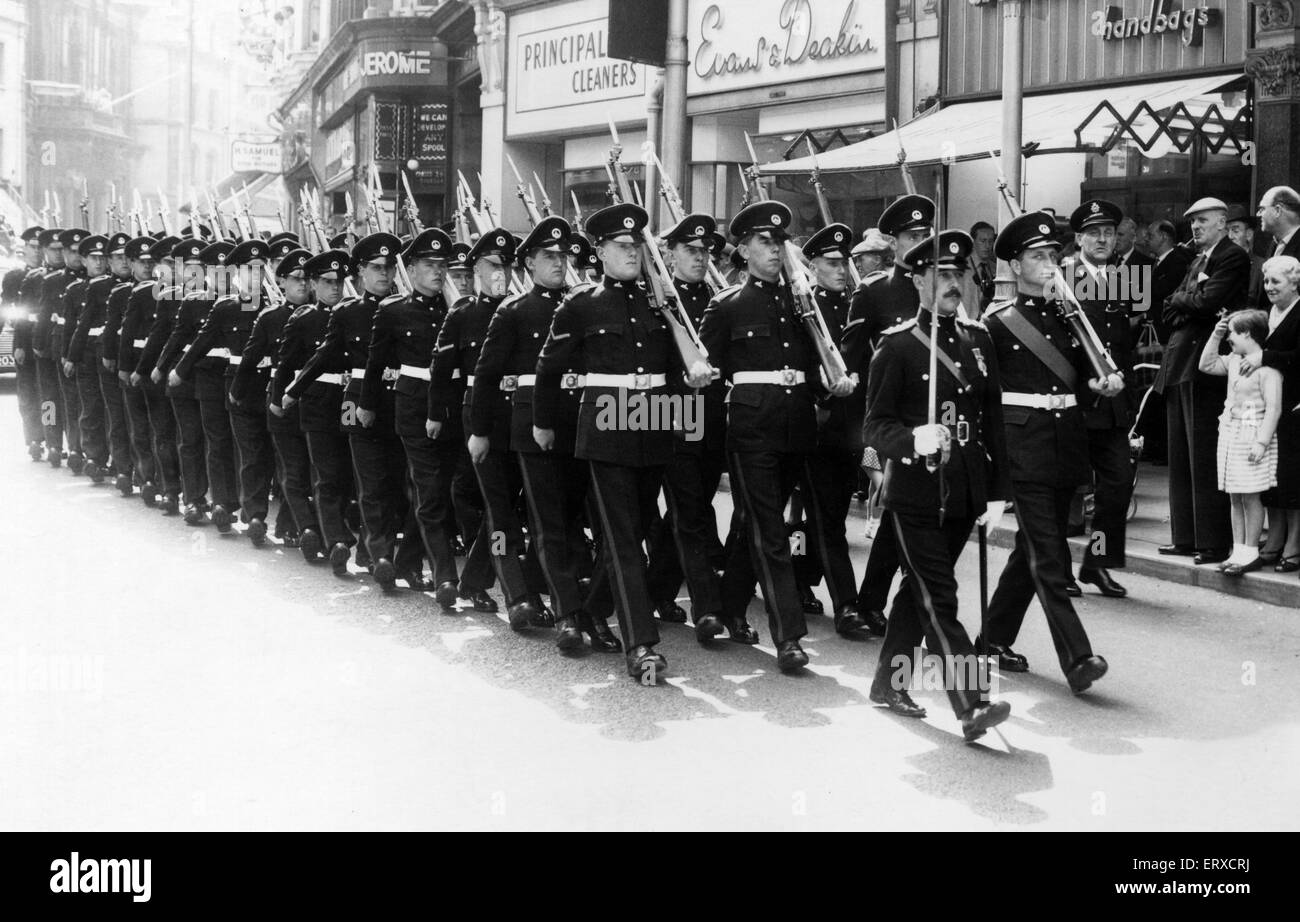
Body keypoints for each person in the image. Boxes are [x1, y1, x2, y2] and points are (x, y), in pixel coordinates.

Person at [535, 202, 711, 681]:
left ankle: (592, 611)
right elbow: (549, 368)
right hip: (607, 425)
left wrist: (691, 384)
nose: (632, 253)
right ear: (600, 251)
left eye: (637, 245)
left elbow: (676, 364)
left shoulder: (660, 300)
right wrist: (544, 423)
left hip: (653, 421)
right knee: (624, 537)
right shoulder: (582, 303)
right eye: (622, 246)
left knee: (628, 536)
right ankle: (642, 645)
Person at [864, 229, 1012, 741]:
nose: (953, 284)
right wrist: (911, 438)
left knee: (918, 595)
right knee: (939, 598)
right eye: (941, 275)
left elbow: (991, 418)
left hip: (965, 489)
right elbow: (874, 426)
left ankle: (888, 683)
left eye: (958, 275)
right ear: (918, 280)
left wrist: (997, 492)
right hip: (916, 492)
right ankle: (972, 703)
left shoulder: (977, 339)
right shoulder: (899, 344)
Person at [698, 199, 854, 670]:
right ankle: (788, 636)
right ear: (743, 250)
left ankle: (724, 608)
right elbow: (704, 374)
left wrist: (832, 388)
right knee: (772, 531)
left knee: (752, 524)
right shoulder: (726, 305)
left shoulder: (803, 303)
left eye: (780, 241)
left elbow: (816, 368)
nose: (774, 249)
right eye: (764, 241)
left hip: (796, 427)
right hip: (750, 431)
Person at [981, 211, 1115, 695]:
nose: (1048, 264)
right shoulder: (996, 323)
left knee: (1033, 549)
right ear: (1015, 266)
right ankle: (1078, 657)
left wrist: (1101, 384)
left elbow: (1083, 379)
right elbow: (985, 399)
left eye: (1052, 256)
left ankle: (992, 639)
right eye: (1037, 257)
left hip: (1065, 444)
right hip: (1024, 449)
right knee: (1049, 556)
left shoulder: (1070, 314)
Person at [472, 215, 619, 652]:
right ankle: (568, 614)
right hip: (532, 430)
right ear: (530, 262)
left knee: (577, 525)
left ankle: (585, 608)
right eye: (549, 256)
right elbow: (486, 375)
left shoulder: (585, 303)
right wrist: (480, 432)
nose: (559, 262)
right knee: (548, 525)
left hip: (583, 426)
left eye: (564, 255)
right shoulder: (514, 311)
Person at [432, 227, 541, 625]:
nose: (501, 273)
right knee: (499, 509)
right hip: (480, 415)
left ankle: (474, 581)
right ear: (476, 267)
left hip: (518, 416)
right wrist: (438, 419)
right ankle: (517, 595)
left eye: (507, 265)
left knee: (508, 505)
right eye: (494, 265)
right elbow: (442, 373)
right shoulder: (462, 314)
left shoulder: (521, 309)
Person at [843, 195, 936, 635]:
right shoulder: (874, 291)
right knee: (895, 508)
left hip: (934, 426)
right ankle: (876, 601)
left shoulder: (939, 286)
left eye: (925, 235)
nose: (921, 243)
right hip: (889, 428)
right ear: (894, 243)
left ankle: (878, 600)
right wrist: (867, 440)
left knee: (908, 517)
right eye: (912, 237)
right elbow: (853, 363)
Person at [361, 228, 462, 606]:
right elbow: (375, 365)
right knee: (430, 489)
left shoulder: (457, 310)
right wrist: (367, 406)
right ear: (412, 268)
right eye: (429, 265)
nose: (438, 272)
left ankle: (404, 562)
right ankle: (445, 576)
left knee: (439, 491)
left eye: (442, 265)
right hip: (413, 408)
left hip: (450, 409)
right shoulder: (393, 311)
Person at [643, 213, 728, 636]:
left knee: (683, 511)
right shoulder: (657, 298)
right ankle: (707, 607)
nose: (699, 257)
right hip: (672, 415)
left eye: (705, 250)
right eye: (690, 250)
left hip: (711, 417)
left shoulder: (719, 296)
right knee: (692, 510)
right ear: (670, 253)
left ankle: (654, 591)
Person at [1154, 198, 1250, 565]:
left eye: (1203, 221)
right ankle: (1186, 536)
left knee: (1203, 454)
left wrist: (1183, 300)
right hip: (1182, 361)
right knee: (1181, 454)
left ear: (1223, 222)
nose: (1195, 227)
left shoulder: (1231, 256)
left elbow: (1209, 302)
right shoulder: (1197, 259)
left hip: (1204, 363)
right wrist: (1185, 301)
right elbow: (1167, 307)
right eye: (1192, 222)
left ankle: (1210, 541)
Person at [1062, 199, 1137, 598]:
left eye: (1109, 232)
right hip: (1075, 402)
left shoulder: (1123, 278)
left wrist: (1124, 389)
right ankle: (1058, 569)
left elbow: (1123, 343)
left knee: (1118, 485)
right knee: (1064, 489)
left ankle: (1097, 564)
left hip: (1112, 406)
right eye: (1094, 233)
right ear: (1079, 239)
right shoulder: (1061, 279)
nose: (1104, 239)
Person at [278, 249, 362, 575]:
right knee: (326, 475)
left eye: (340, 281)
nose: (335, 288)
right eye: (327, 282)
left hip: (348, 401)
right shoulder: (303, 319)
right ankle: (336, 540)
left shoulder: (354, 314)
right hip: (315, 401)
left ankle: (330, 532)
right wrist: (280, 400)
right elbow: (287, 365)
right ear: (314, 283)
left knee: (344, 474)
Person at [1198, 309, 1282, 575]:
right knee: (1235, 495)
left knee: (1251, 495)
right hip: (1231, 433)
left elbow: (1273, 409)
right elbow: (1206, 364)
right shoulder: (1234, 360)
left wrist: (1262, 441)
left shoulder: (1268, 370)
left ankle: (1250, 552)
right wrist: (1216, 334)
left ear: (1247, 333)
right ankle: (1238, 551)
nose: (1228, 338)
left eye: (1232, 332)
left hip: (1252, 435)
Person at [1250, 255, 1300, 573]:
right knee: (1272, 476)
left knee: (1293, 477)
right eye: (1267, 281)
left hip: (1295, 403)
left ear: (1294, 283)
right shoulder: (1269, 312)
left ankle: (1294, 543)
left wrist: (1264, 355)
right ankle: (1276, 537)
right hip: (1268, 403)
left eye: (1276, 282)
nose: (1269, 287)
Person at [5, 227, 47, 460]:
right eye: (33, 246)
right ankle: (33, 438)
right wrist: (19, 344)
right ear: (24, 248)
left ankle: (49, 436)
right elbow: (10, 312)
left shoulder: (51, 276)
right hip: (25, 341)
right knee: (28, 394)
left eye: (41, 247)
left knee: (48, 395)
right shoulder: (15, 278)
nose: (37, 251)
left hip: (48, 342)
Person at [1226, 205, 1264, 307]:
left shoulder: (1261, 267)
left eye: (1235, 231)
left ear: (1248, 235)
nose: (1229, 237)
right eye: (1226, 231)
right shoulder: (1217, 263)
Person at [970, 220, 998, 312]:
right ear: (973, 241)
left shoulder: (995, 269)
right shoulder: (963, 268)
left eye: (990, 241)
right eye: (983, 241)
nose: (987, 246)